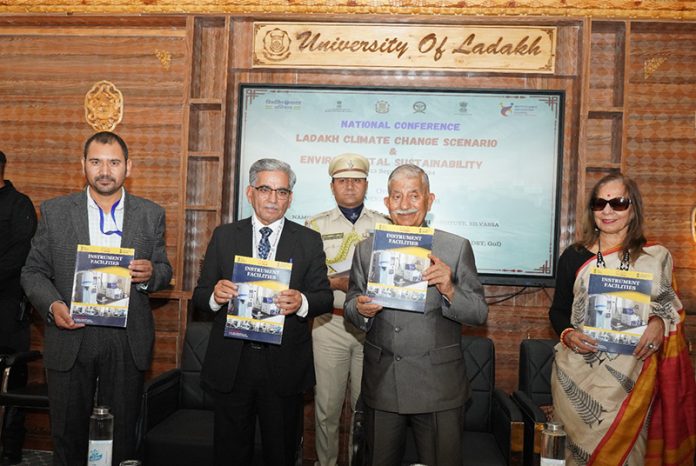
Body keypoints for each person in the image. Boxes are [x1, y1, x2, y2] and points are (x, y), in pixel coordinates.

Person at [20, 131, 172, 465]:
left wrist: (151, 276)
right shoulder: (56, 212)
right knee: (69, 435)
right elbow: (32, 272)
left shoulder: (150, 214)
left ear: (128, 167)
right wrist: (53, 305)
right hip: (71, 333)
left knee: (121, 439)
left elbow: (164, 270)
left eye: (114, 162)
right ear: (83, 165)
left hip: (126, 339)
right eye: (96, 161)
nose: (105, 170)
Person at [344, 164, 488, 466]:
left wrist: (449, 287)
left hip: (438, 384)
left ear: (429, 200)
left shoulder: (454, 247)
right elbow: (351, 303)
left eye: (414, 195)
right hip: (383, 380)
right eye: (396, 196)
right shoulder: (367, 249)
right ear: (386, 203)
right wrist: (360, 309)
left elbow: (478, 313)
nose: (405, 205)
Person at [192, 158, 333, 466]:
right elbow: (200, 297)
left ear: (290, 198)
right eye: (266, 189)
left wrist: (302, 303)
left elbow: (324, 297)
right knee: (230, 452)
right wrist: (215, 296)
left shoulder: (308, 241)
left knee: (280, 452)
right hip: (233, 362)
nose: (273, 198)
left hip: (283, 365)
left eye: (282, 191)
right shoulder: (225, 235)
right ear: (250, 192)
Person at [549, 172, 696, 465]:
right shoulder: (574, 256)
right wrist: (568, 334)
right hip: (577, 378)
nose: (607, 210)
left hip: (634, 379)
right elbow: (558, 310)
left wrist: (657, 323)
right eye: (599, 203)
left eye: (618, 203)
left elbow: (670, 309)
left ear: (633, 209)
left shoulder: (655, 257)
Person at [305, 153, 388, 466]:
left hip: (373, 329)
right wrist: (334, 283)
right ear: (332, 186)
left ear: (366, 184)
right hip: (330, 325)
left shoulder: (385, 224)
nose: (350, 186)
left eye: (357, 180)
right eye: (343, 180)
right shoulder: (314, 226)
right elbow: (308, 279)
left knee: (363, 410)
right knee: (326, 409)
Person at [0, 151, 37, 465]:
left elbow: (17, 258)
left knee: (11, 381)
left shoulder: (19, 205)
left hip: (7, 311)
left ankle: (10, 448)